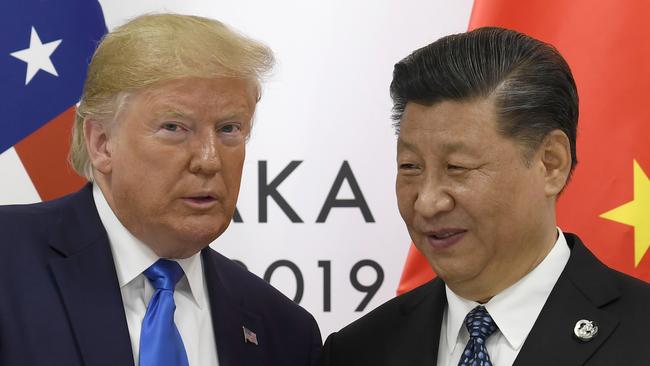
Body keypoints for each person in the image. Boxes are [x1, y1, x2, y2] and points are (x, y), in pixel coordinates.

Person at [0, 14, 321, 366]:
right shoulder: (9, 262)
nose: (209, 160)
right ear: (102, 143)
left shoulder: (285, 331)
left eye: (229, 129)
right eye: (174, 127)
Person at [322, 27, 650, 365]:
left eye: (457, 167)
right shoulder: (356, 351)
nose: (427, 201)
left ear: (551, 163)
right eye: (410, 166)